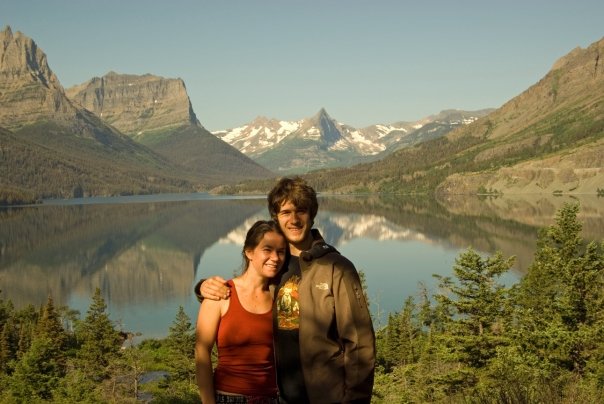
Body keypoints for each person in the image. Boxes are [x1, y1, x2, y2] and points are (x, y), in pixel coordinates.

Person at [196, 177, 376, 403]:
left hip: (325, 395)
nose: (294, 219)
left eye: (301, 211)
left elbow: (360, 343)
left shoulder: (335, 268)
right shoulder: (275, 268)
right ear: (276, 218)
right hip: (279, 396)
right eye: (285, 212)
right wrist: (202, 286)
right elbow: (245, 292)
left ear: (312, 215)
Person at [195, 220, 287, 404]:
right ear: (249, 252)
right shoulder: (221, 293)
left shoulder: (281, 297)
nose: (275, 258)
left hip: (271, 399)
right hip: (229, 397)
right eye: (267, 250)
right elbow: (202, 350)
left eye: (281, 251)